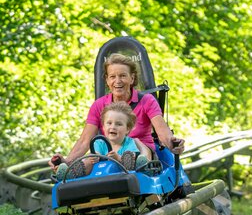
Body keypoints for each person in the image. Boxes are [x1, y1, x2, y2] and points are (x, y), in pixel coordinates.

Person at [50, 52, 185, 169]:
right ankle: (69, 171)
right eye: (112, 77)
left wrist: (173, 144)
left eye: (122, 76)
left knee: (139, 149)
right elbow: (85, 141)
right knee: (92, 158)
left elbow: (162, 132)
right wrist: (67, 161)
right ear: (107, 80)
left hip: (141, 152)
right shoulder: (98, 105)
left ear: (132, 78)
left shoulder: (147, 101)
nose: (117, 81)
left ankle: (134, 163)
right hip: (110, 153)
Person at [55, 101, 150, 179]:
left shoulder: (129, 142)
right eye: (109, 123)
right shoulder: (99, 142)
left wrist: (117, 157)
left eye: (119, 124)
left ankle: (141, 166)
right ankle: (70, 173)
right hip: (99, 173)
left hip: (121, 173)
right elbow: (96, 152)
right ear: (103, 126)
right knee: (88, 160)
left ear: (127, 129)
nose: (113, 127)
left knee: (129, 156)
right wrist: (94, 157)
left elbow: (131, 156)